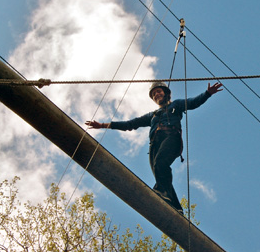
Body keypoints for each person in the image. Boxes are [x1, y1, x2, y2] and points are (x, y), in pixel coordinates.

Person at [86, 81, 223, 214]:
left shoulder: (176, 104)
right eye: (153, 94)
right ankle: (175, 207)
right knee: (160, 174)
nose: (156, 95)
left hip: (171, 137)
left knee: (161, 164)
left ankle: (162, 193)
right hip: (154, 146)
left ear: (166, 93)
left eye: (158, 91)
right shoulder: (152, 115)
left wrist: (207, 93)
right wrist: (103, 125)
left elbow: (193, 102)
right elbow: (130, 124)